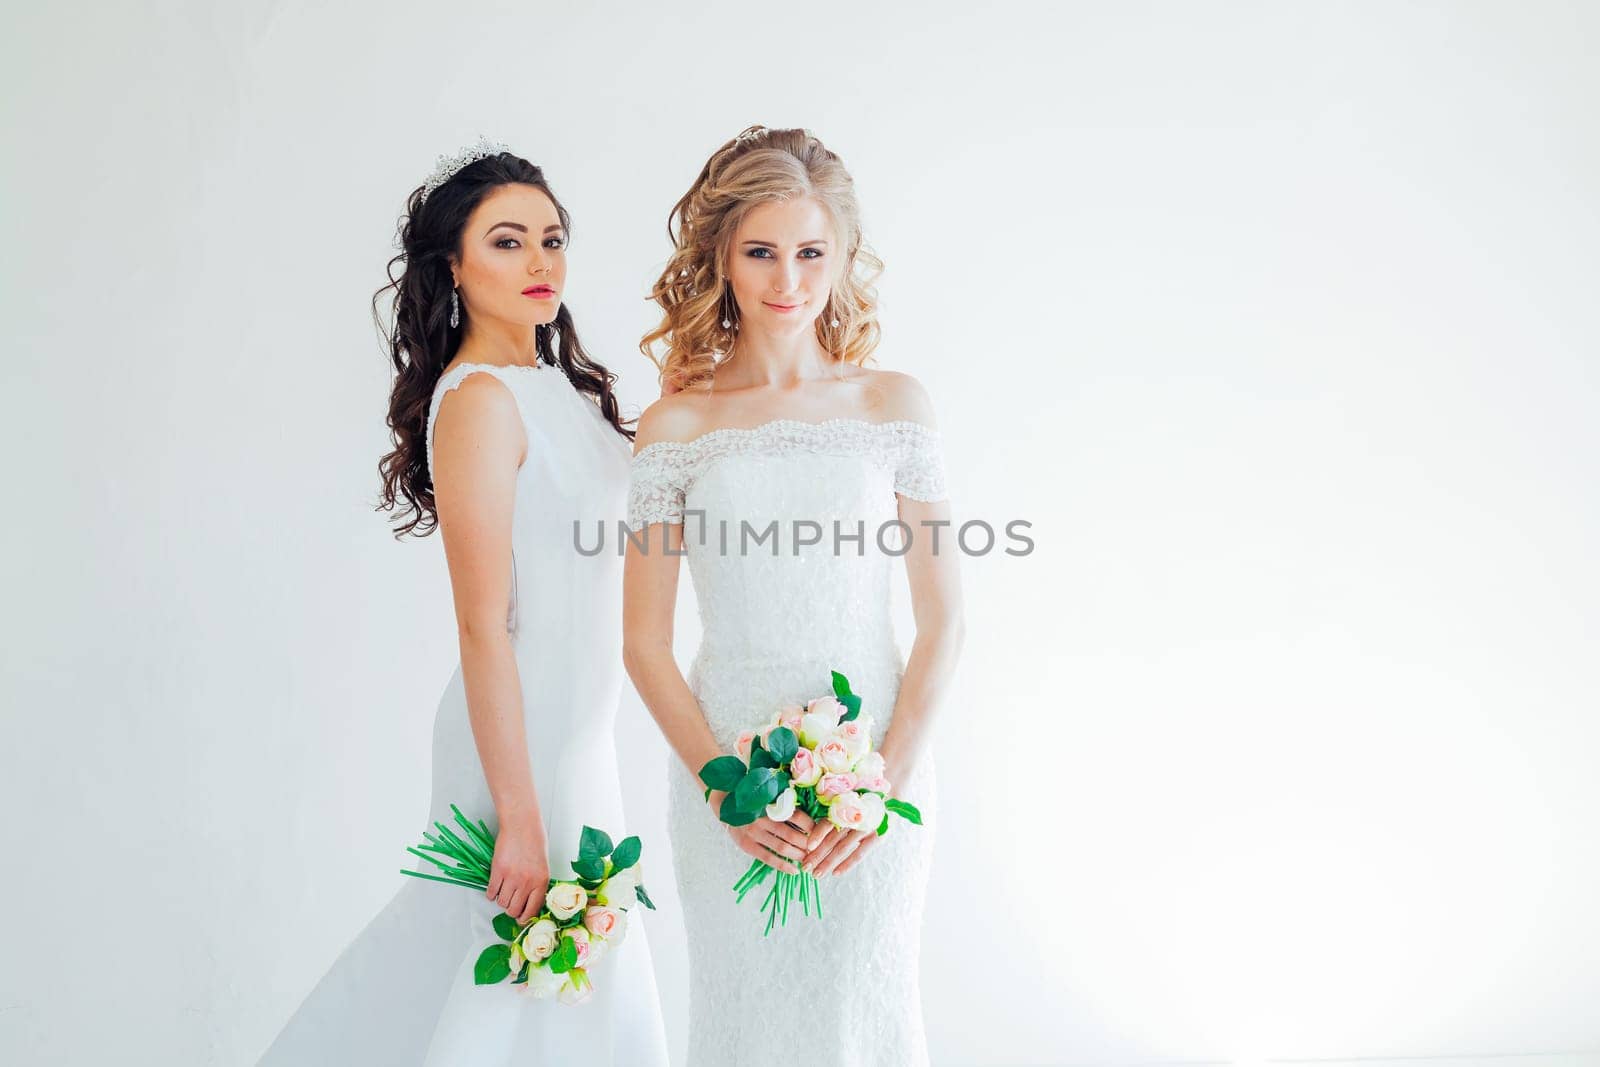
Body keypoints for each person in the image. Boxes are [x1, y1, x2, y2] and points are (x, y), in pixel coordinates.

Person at [259, 138, 669, 1066]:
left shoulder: (558, 388)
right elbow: (485, 623)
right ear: (454, 265)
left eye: (552, 240)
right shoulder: (480, 399)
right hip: (518, 738)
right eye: (508, 242)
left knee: (563, 974)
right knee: (503, 962)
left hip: (580, 731)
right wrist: (517, 812)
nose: (539, 263)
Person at [622, 125, 965, 1067]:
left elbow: (944, 621)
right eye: (762, 252)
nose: (788, 280)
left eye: (812, 252)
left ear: (844, 256)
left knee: (866, 1014)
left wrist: (883, 777)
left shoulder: (892, 406)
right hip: (725, 767)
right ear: (721, 258)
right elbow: (644, 644)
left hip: (879, 772)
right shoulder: (678, 424)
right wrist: (724, 791)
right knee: (744, 1022)